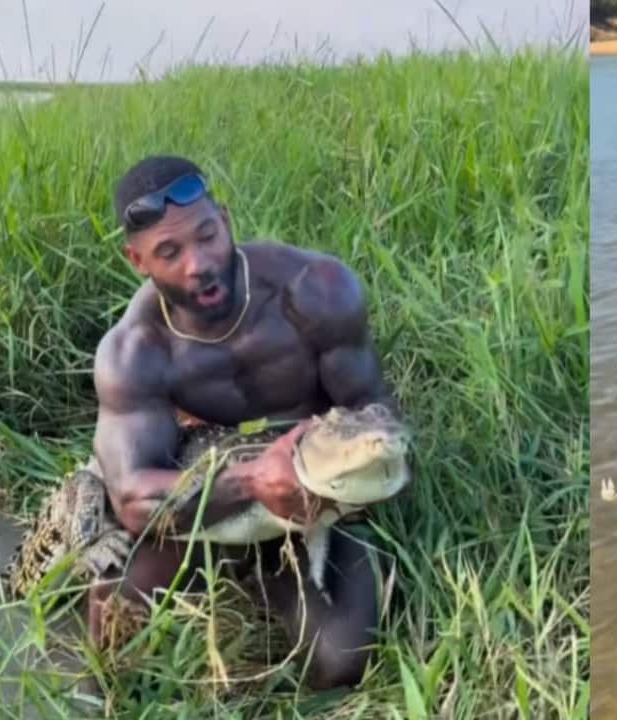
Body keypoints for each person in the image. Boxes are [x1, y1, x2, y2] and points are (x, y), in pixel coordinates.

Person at [85, 154, 399, 689]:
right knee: (109, 631)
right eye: (169, 252)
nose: (198, 263)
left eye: (207, 236)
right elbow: (132, 497)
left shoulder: (317, 289)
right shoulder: (134, 351)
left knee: (344, 660)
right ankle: (236, 563)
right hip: (210, 493)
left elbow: (375, 409)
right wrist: (253, 481)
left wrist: (350, 482)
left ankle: (271, 572)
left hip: (319, 489)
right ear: (137, 260)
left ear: (226, 220)